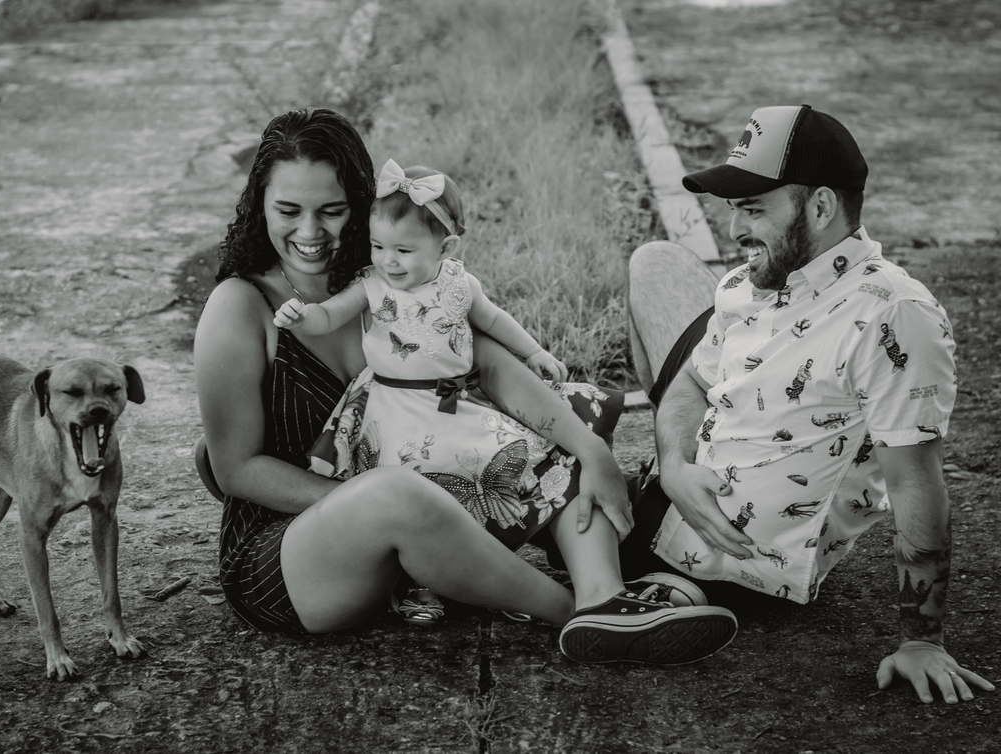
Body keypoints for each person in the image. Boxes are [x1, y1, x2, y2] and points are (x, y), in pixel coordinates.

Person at [192, 106, 737, 665]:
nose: (310, 233)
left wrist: (592, 451)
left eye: (331, 211)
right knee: (398, 493)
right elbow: (235, 469)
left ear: (360, 206)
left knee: (561, 421)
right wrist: (418, 512)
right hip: (289, 554)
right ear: (259, 204)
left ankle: (607, 594)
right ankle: (575, 614)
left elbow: (495, 369)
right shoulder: (239, 306)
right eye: (288, 211)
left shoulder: (388, 277)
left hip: (408, 518)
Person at [624, 104, 996, 702]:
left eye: (754, 210)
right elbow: (692, 381)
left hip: (722, 559)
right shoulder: (754, 282)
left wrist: (921, 641)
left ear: (821, 207)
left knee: (520, 475)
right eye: (734, 209)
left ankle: (624, 595)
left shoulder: (894, 315)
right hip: (674, 492)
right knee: (655, 261)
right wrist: (672, 466)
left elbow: (915, 482)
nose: (734, 230)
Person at [270, 157, 570, 624]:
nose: (388, 260)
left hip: (451, 401)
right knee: (413, 485)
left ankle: (488, 564)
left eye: (403, 250)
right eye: (378, 246)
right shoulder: (371, 285)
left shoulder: (459, 283)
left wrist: (532, 351)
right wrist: (302, 317)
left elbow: (494, 320)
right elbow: (329, 315)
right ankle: (416, 584)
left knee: (478, 468)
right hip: (394, 408)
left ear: (445, 247)